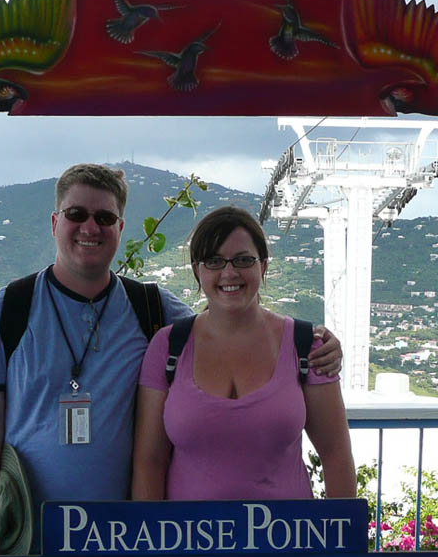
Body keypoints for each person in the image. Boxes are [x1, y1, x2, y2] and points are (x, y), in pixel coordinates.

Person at [0, 165, 342, 555]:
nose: (90, 227)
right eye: (77, 214)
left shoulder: (152, 310)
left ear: (120, 228)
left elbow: (227, 319)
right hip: (29, 534)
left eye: (104, 218)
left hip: (122, 538)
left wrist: (319, 340)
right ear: (56, 222)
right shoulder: (9, 310)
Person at [132, 206, 356, 501]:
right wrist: (153, 540)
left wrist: (340, 541)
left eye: (243, 260)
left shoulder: (307, 346)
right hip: (188, 541)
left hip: (289, 540)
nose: (229, 272)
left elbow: (335, 453)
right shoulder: (168, 347)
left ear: (262, 266)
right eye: (214, 261)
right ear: (197, 269)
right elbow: (150, 461)